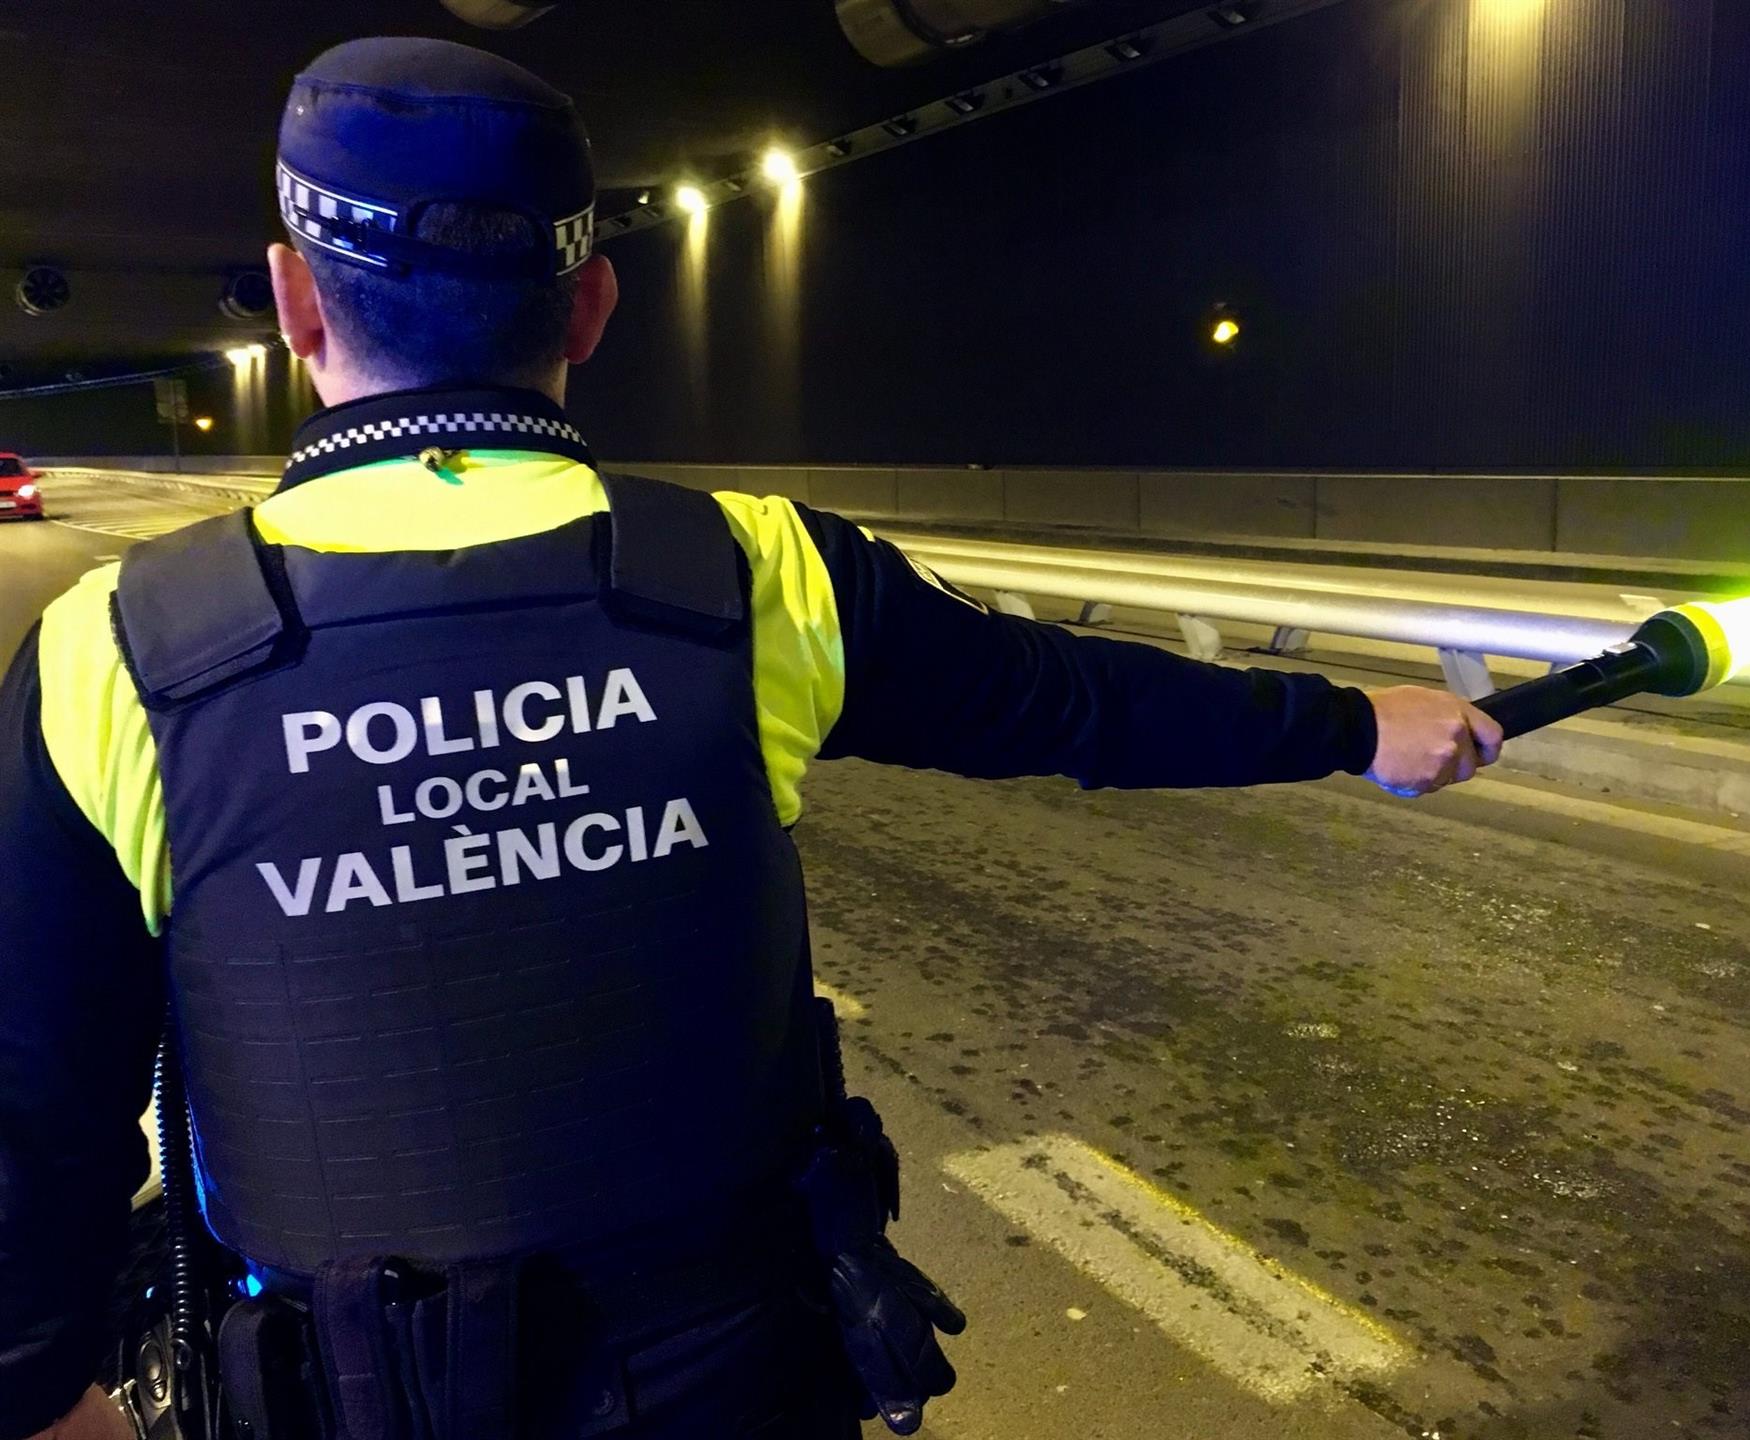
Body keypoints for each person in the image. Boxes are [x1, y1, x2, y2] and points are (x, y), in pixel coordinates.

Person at [0, 36, 1502, 1440]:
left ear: (294, 301)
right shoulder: (758, 573)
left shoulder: (117, 653)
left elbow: (38, 1108)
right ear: (590, 307)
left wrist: (38, 1392)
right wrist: (1356, 722)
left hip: (341, 1394)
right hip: (742, 1381)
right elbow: (1073, 701)